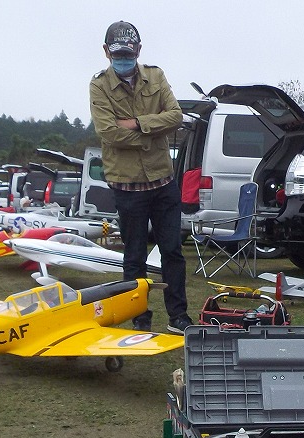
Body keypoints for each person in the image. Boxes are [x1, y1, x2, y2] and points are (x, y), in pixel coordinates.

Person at [88, 20, 192, 334]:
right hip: (127, 186)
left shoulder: (156, 76)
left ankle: (178, 317)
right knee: (133, 255)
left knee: (172, 251)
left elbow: (176, 116)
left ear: (139, 50)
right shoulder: (98, 85)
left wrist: (135, 123)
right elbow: (108, 133)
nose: (123, 58)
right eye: (117, 53)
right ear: (106, 52)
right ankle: (139, 317)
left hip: (163, 182)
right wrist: (151, 134)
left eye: (128, 53)